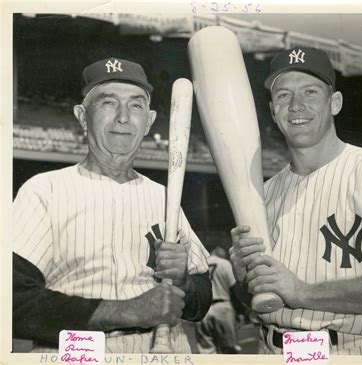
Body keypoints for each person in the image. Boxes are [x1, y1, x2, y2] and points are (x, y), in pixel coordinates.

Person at [229, 47, 362, 356]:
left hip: (354, 351)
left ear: (335, 103)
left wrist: (303, 292)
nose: (296, 106)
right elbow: (256, 299)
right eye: (284, 96)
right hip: (273, 350)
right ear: (273, 111)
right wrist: (244, 279)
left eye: (311, 92)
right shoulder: (262, 194)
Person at [12, 57, 212, 353]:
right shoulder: (45, 191)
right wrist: (127, 310)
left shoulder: (165, 197)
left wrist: (183, 282)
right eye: (108, 102)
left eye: (135, 105)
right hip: (81, 351)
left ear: (149, 121)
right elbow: (13, 300)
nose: (123, 117)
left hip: (163, 349)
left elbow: (200, 301)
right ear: (82, 116)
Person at [195, 246, 245, 354]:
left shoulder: (200, 264)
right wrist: (240, 311)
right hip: (223, 307)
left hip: (203, 309)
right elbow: (233, 289)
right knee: (228, 350)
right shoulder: (225, 263)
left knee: (206, 351)